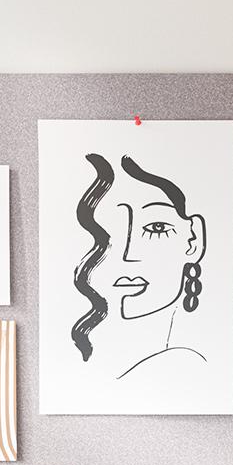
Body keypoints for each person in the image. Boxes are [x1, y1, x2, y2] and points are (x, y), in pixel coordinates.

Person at [71, 152, 209, 388]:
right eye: (106, 232)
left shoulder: (187, 366)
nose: (129, 255)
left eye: (157, 228)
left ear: (193, 240)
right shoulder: (88, 375)